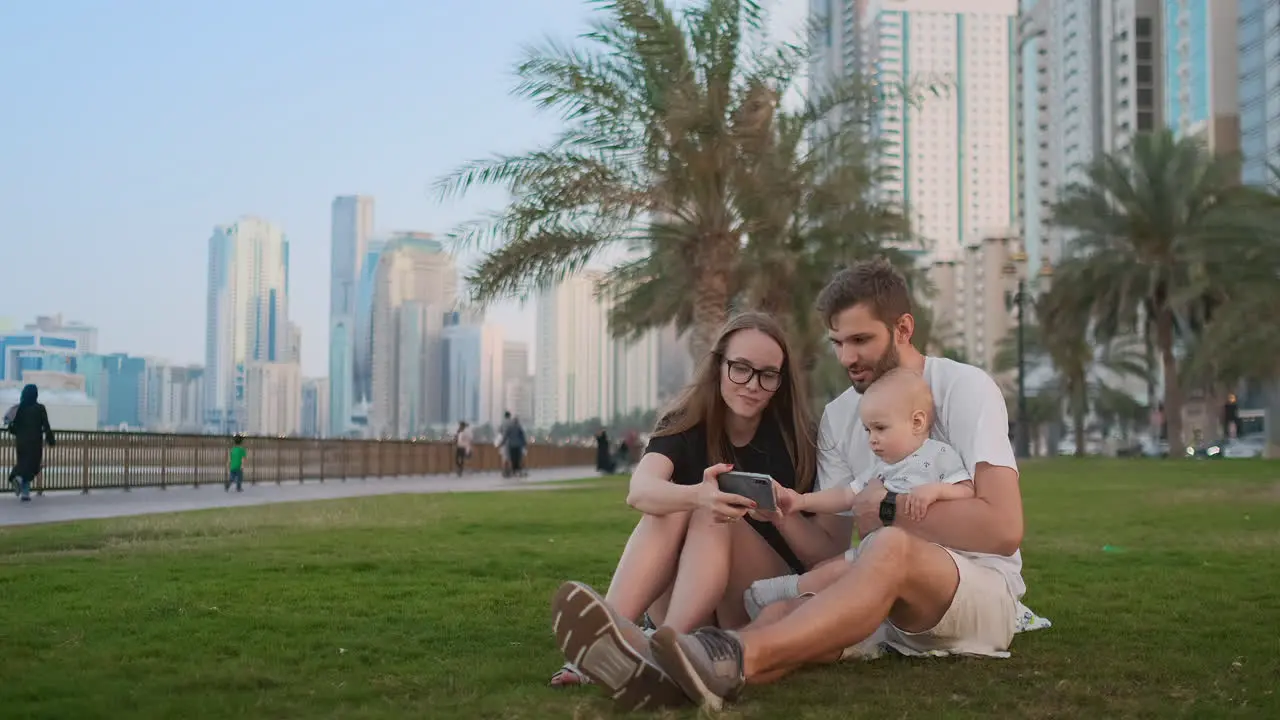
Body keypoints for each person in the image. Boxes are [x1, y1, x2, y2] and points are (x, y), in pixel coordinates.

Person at [554, 260, 1032, 712]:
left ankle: (729, 657)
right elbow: (829, 550)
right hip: (874, 599)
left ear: (903, 329)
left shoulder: (963, 388)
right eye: (837, 342)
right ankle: (663, 655)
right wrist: (782, 509)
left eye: (860, 339)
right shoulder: (840, 417)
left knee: (886, 546)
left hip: (973, 591)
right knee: (786, 605)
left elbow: (1003, 527)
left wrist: (887, 511)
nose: (847, 357)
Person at [549, 312, 832, 712]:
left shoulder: (800, 437)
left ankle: (662, 653)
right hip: (685, 592)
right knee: (677, 505)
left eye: (768, 375)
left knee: (713, 511)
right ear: (719, 365)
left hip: (754, 601)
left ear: (781, 383)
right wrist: (697, 496)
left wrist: (781, 514)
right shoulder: (685, 422)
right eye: (741, 369)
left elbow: (823, 556)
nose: (753, 385)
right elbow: (640, 491)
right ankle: (612, 640)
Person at [743, 367, 973, 618]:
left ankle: (783, 592)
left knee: (836, 573)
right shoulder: (882, 470)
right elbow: (845, 496)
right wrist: (800, 501)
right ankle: (787, 607)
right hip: (876, 552)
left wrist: (935, 491)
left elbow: (967, 490)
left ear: (917, 422)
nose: (871, 439)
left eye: (880, 428)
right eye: (867, 430)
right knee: (827, 568)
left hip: (918, 558)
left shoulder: (938, 455)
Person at [5, 384, 55, 502]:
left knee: (23, 464)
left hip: (21, 441)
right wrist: (50, 439)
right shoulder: (40, 408)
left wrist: (15, 430)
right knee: (33, 466)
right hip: (35, 442)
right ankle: (17, 479)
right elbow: (46, 425)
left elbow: (13, 427)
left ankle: (24, 492)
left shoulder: (19, 408)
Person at [497, 411, 513, 477]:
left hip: (504, 443)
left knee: (504, 458)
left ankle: (504, 471)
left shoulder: (502, 423)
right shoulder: (512, 423)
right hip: (512, 443)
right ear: (509, 416)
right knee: (510, 458)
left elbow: (500, 431)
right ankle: (509, 471)